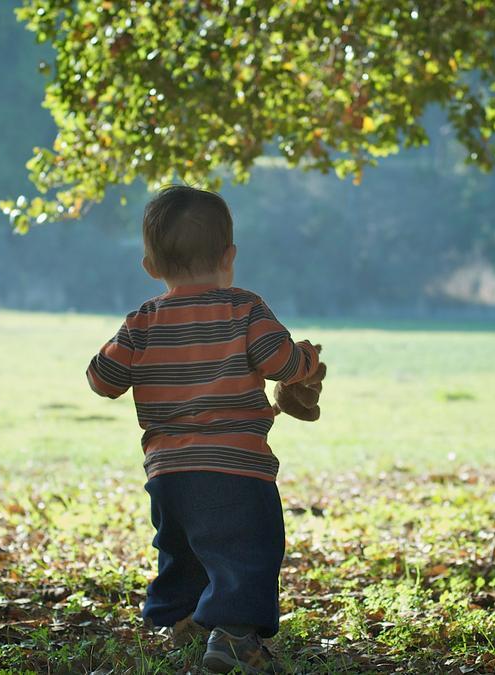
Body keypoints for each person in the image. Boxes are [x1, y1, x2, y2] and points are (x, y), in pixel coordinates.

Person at [85, 185, 322, 674]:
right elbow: (280, 361)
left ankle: (186, 620)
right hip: (237, 466)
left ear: (150, 265)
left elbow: (102, 380)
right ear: (229, 256)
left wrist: (127, 347)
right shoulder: (245, 308)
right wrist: (307, 362)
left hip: (168, 472)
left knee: (183, 547)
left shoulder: (142, 321)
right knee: (246, 550)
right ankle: (234, 638)